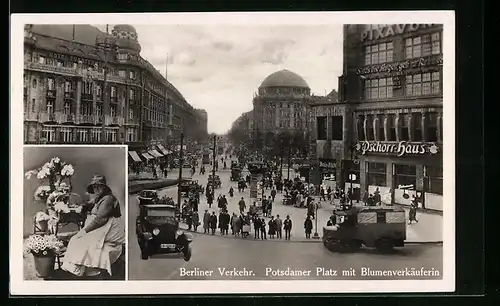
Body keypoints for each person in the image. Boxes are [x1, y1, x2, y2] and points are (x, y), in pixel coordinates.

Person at [61, 175, 125, 277]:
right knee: (77, 239)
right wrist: (83, 207)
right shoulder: (100, 198)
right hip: (104, 227)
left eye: (99, 186)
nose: (96, 188)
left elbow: (100, 219)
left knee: (80, 239)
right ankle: (78, 267)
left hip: (111, 229)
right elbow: (90, 204)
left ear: (104, 187)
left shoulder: (108, 199)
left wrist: (85, 231)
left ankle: (78, 268)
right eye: (94, 187)